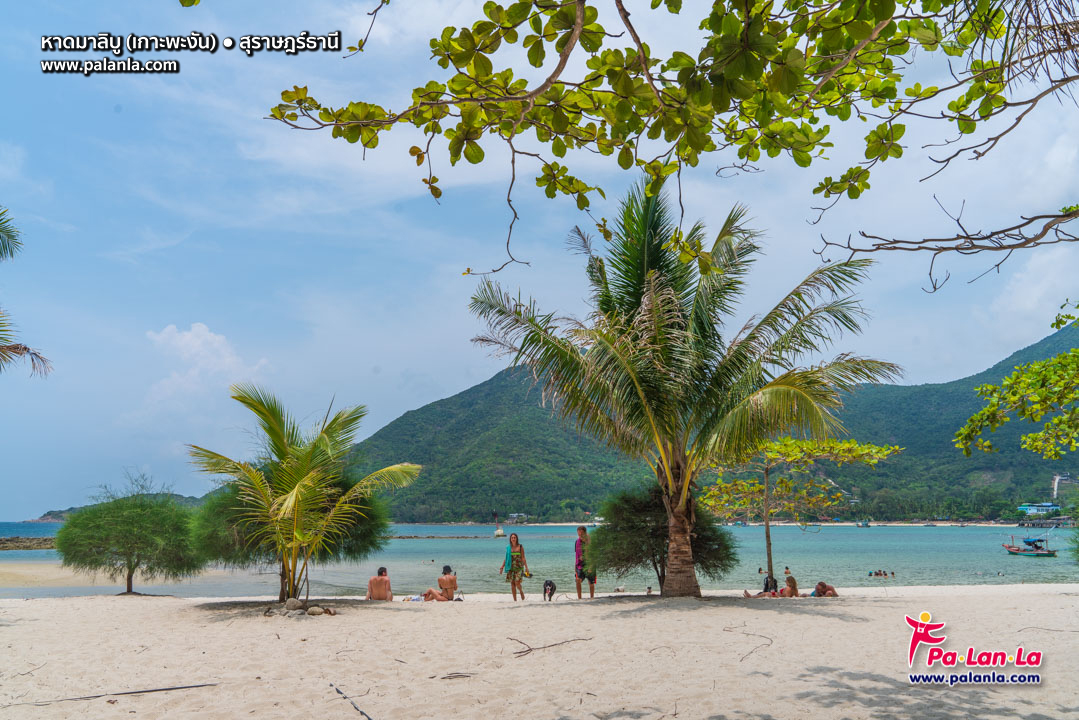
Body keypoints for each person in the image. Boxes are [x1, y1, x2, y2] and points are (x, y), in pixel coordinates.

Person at [499, 532, 529, 601]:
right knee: (512, 584)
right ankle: (515, 600)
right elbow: (506, 558)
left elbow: (523, 558)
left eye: (514, 538)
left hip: (519, 568)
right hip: (511, 568)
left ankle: (521, 592)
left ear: (516, 539)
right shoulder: (509, 548)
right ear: (510, 539)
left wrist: (527, 568)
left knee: (517, 583)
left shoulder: (520, 547)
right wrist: (502, 567)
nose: (513, 539)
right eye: (512, 538)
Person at [574, 526, 596, 599]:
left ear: (585, 533)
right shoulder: (577, 542)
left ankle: (592, 597)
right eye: (578, 533)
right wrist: (575, 566)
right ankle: (579, 598)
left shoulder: (590, 541)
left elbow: (593, 555)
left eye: (581, 533)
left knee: (591, 583)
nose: (580, 534)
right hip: (579, 565)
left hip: (589, 563)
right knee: (578, 580)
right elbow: (576, 554)